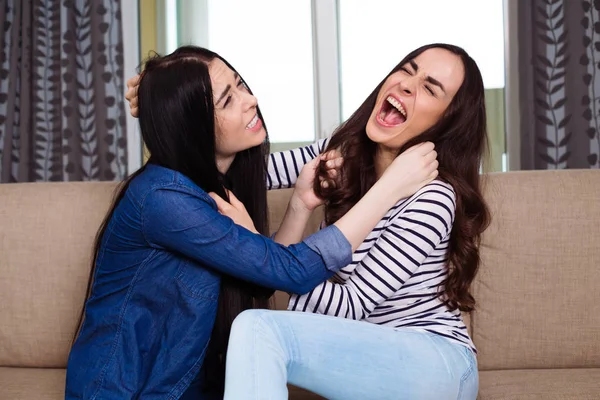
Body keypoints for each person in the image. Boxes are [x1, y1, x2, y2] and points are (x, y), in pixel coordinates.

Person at [66, 46, 438, 399]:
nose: (252, 100)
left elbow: (262, 283)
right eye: (229, 99)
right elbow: (292, 271)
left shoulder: (221, 184)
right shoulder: (166, 201)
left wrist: (298, 206)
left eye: (241, 84)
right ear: (192, 125)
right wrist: (391, 187)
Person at [216, 43, 491, 399]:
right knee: (254, 330)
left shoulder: (435, 197)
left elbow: (350, 306)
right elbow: (244, 173)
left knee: (257, 329)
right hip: (368, 354)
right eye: (408, 70)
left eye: (430, 88)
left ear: (446, 121)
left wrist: (254, 243)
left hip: (437, 362)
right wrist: (165, 100)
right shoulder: (341, 151)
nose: (408, 84)